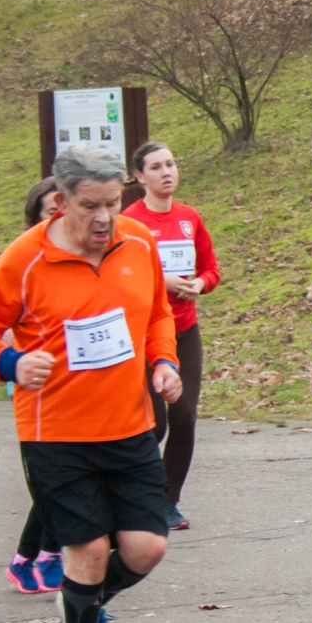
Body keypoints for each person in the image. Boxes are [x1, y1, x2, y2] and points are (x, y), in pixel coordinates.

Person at [0, 143, 182, 623]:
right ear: (61, 201)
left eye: (113, 203)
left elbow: (157, 312)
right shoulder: (25, 259)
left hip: (129, 426)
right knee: (85, 550)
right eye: (91, 206)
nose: (105, 218)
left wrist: (164, 361)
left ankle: (87, 603)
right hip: (55, 433)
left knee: (147, 547)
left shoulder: (139, 242)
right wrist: (11, 364)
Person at [122, 142, 220, 532]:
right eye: (156, 167)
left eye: (171, 164)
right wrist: (160, 281)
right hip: (144, 333)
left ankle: (167, 500)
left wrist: (199, 282)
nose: (167, 172)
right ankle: (134, 495)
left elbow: (211, 269)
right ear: (139, 177)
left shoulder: (189, 218)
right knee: (152, 425)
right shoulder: (129, 222)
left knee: (183, 416)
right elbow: (123, 278)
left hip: (184, 330)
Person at [5, 178, 66, 594]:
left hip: (78, 392)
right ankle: (45, 556)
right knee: (54, 485)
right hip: (38, 399)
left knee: (63, 482)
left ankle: (30, 558)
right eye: (50, 212)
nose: (60, 219)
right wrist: (17, 358)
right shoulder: (20, 265)